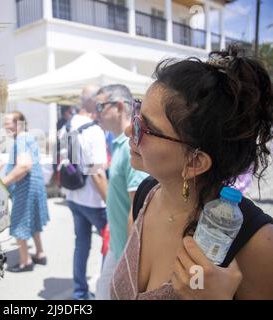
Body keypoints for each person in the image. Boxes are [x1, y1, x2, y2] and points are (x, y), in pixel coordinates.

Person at [111, 46, 273, 300]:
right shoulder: (145, 196)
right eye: (136, 114)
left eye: (146, 128)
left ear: (195, 162)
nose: (129, 131)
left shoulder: (257, 242)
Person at [93, 84, 148, 300]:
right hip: (117, 246)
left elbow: (137, 208)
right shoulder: (118, 144)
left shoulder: (129, 147)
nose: (96, 112)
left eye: (100, 106)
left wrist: (128, 261)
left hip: (125, 252)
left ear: (118, 106)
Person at [62, 85, 108, 300]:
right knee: (113, 245)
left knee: (81, 245)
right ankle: (106, 291)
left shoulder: (67, 126)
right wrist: (110, 202)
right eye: (100, 101)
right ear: (92, 102)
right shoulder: (93, 130)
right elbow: (96, 172)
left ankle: (80, 294)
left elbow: (65, 161)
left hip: (73, 196)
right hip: (95, 200)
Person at [1, 111, 50, 272]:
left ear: (18, 123)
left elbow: (24, 165)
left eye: (8, 122)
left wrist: (2, 183)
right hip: (35, 186)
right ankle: (40, 253)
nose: (5, 126)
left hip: (25, 188)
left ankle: (25, 261)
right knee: (33, 221)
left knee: (19, 223)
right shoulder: (28, 137)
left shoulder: (21, 139)